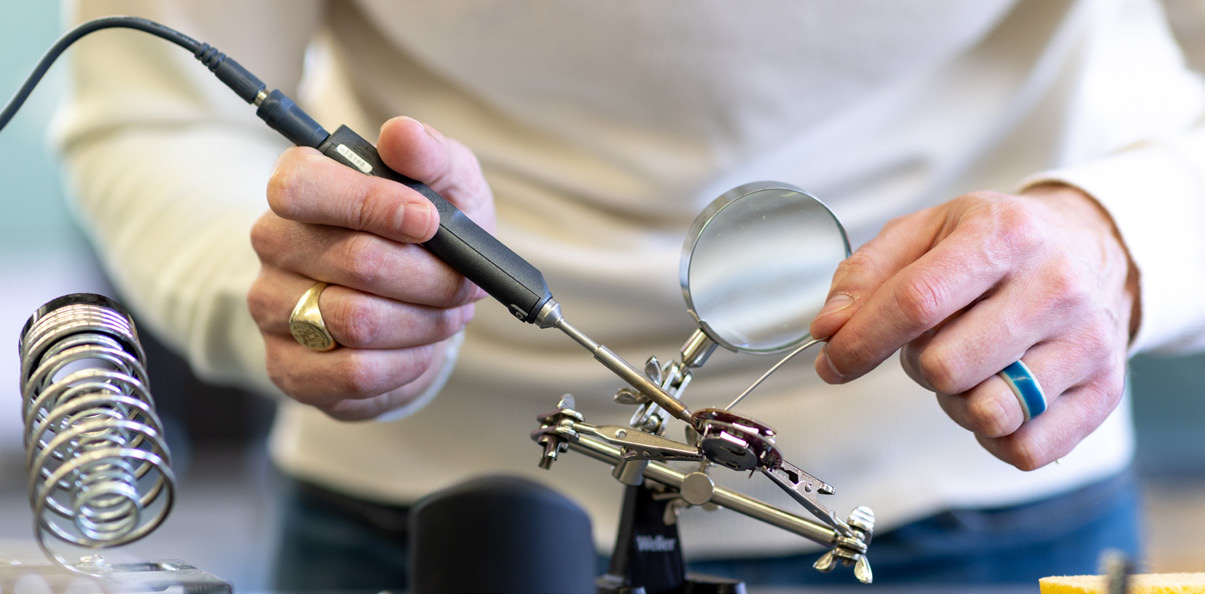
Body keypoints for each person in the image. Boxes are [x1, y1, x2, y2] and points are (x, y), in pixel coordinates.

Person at [53, 0, 1205, 589]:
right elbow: (152, 102)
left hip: (981, 518)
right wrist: (308, 294)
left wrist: (1121, 243)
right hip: (422, 530)